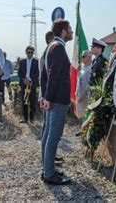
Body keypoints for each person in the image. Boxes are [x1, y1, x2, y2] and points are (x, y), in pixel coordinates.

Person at [41, 19, 73, 185]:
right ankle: (49, 174)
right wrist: (48, 98)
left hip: (51, 98)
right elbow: (53, 75)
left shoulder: (51, 46)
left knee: (47, 134)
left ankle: (47, 169)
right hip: (57, 99)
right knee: (53, 136)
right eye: (70, 29)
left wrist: (45, 96)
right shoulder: (59, 48)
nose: (72, 32)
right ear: (63, 32)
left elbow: (43, 74)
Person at [18, 46, 39, 123]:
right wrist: (24, 80)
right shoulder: (22, 61)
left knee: (33, 102)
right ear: (26, 52)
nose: (30, 54)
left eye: (31, 52)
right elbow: (19, 72)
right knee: (24, 101)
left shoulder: (36, 62)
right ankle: (25, 119)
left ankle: (32, 119)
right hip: (24, 84)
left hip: (32, 84)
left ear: (33, 53)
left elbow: (37, 73)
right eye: (28, 52)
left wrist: (30, 80)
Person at [76, 50, 92, 119]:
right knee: (80, 116)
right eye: (82, 56)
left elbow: (88, 85)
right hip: (79, 95)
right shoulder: (82, 67)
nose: (82, 58)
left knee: (86, 116)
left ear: (89, 57)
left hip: (85, 97)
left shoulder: (91, 68)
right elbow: (79, 80)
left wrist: (82, 96)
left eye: (83, 56)